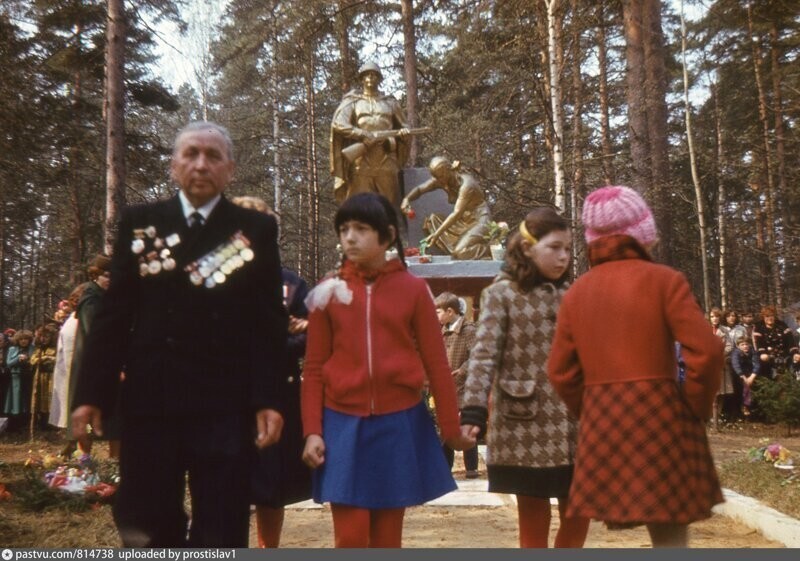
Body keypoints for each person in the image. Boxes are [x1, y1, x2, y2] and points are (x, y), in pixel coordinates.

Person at [71, 121, 288, 548]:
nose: (201, 164)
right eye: (191, 154)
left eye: (212, 156)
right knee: (147, 523)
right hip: (153, 401)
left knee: (222, 526)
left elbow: (268, 323)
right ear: (174, 165)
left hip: (225, 404)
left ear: (230, 169)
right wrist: (91, 393)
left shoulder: (254, 230)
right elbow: (115, 315)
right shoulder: (141, 223)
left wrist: (269, 398)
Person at [547, 186, 724, 548]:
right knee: (671, 532)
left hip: (605, 423)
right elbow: (706, 350)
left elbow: (560, 372)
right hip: (663, 418)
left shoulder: (577, 293)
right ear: (642, 233)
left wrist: (593, 409)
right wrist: (695, 406)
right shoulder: (664, 281)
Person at [301, 192, 475, 548]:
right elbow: (315, 368)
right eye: (343, 228)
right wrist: (312, 431)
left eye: (361, 228)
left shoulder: (413, 291)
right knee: (349, 537)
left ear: (388, 235)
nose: (349, 236)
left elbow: (437, 364)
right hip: (341, 425)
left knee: (386, 538)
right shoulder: (326, 293)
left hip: (398, 423)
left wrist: (451, 428)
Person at [461, 208, 589, 548]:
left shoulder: (574, 294)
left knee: (579, 510)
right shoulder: (500, 294)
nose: (563, 256)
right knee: (533, 515)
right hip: (523, 422)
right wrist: (473, 410)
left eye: (567, 249)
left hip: (576, 423)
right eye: (555, 247)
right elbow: (483, 355)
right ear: (528, 247)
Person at [231, 195, 312, 548]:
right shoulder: (211, 279)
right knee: (225, 484)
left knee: (269, 486)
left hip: (278, 394)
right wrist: (279, 332)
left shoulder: (291, 284)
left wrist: (283, 338)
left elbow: (313, 336)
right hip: (225, 395)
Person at [330, 61, 409, 206]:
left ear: (379, 79)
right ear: (362, 79)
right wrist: (362, 134)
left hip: (386, 160)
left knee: (389, 207)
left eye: (374, 75)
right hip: (362, 161)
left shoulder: (390, 103)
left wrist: (404, 134)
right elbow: (339, 124)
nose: (371, 78)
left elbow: (404, 127)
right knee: (358, 208)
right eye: (367, 75)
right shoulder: (353, 102)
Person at [400, 156, 492, 260]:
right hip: (463, 220)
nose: (438, 180)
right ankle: (459, 248)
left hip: (479, 220)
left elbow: (456, 213)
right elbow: (420, 189)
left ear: (448, 170)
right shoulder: (443, 180)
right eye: (436, 177)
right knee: (432, 220)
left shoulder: (467, 185)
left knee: (460, 252)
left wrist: (436, 234)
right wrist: (406, 199)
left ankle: (491, 249)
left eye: (440, 177)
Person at [433, 291, 480, 478]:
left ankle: (471, 468)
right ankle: (446, 467)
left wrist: (462, 371)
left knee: (465, 426)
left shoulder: (469, 330)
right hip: (447, 386)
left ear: (450, 311)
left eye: (438, 312)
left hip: (465, 387)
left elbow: (477, 356)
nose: (436, 316)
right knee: (446, 426)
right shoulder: (442, 331)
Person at [3, 329, 35, 432]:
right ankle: (14, 424)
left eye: (26, 339)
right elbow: (8, 363)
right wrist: (18, 359)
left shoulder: (32, 348)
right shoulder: (13, 349)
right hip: (15, 378)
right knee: (15, 400)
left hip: (29, 378)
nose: (23, 341)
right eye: (21, 339)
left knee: (27, 400)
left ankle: (26, 423)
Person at [753, 306, 796, 379]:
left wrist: (795, 352)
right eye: (767, 316)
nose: (770, 318)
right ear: (763, 317)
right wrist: (762, 353)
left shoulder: (782, 325)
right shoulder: (759, 327)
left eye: (772, 316)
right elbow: (759, 343)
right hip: (767, 357)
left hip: (783, 355)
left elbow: (790, 340)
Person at [709, 307, 734, 429]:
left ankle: (717, 416)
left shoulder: (725, 330)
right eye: (712, 316)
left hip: (721, 362)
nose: (714, 319)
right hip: (708, 363)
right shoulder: (705, 329)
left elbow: (730, 345)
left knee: (722, 391)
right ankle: (709, 416)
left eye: (717, 316)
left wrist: (720, 353)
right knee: (711, 391)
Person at [29, 324, 57, 432]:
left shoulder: (54, 348)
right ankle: (41, 423)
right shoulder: (38, 349)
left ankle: (51, 422)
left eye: (47, 337)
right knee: (39, 399)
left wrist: (49, 358)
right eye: (42, 336)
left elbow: (58, 359)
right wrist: (41, 359)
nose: (44, 339)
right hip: (40, 377)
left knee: (50, 399)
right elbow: (32, 360)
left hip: (51, 377)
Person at [730, 336, 760, 417]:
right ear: (738, 346)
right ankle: (742, 407)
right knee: (741, 389)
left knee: (753, 387)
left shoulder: (752, 352)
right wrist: (744, 378)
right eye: (742, 345)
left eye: (746, 344)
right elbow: (736, 365)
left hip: (750, 374)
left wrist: (752, 377)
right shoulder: (736, 353)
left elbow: (757, 365)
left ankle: (750, 407)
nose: (745, 346)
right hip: (739, 375)